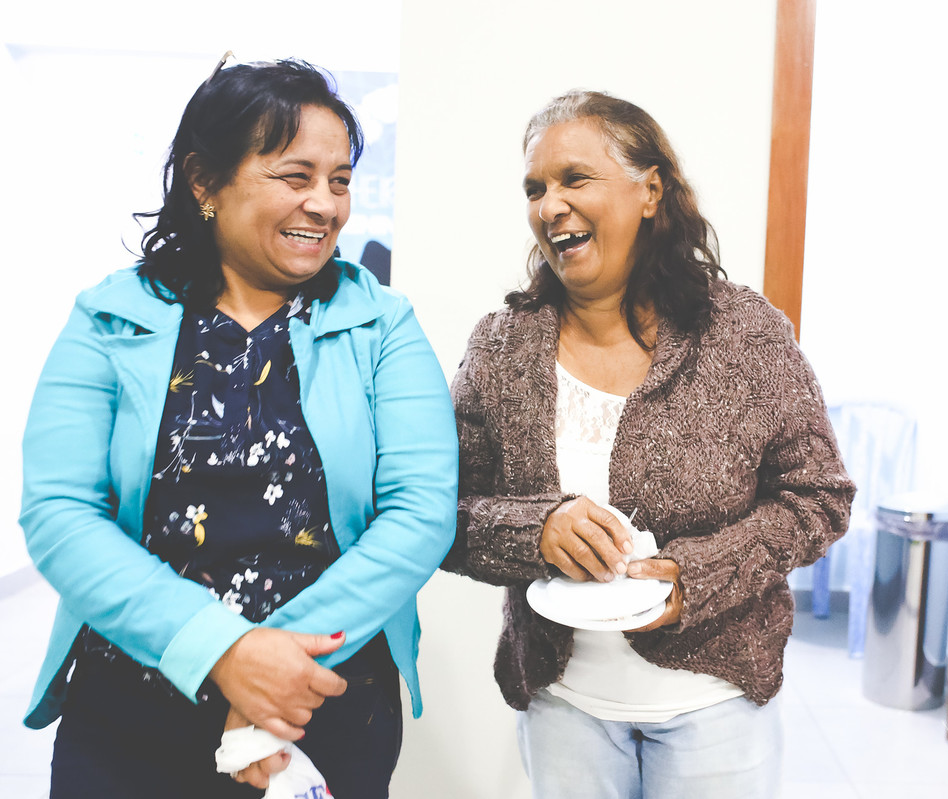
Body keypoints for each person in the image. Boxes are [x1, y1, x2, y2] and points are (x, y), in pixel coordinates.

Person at [20, 57, 458, 798]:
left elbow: (419, 514)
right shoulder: (109, 318)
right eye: (297, 176)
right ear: (203, 182)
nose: (325, 204)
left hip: (320, 698)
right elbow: (60, 514)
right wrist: (223, 651)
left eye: (341, 180)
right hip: (133, 703)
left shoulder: (382, 325)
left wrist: (274, 666)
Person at [445, 89, 856, 798]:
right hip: (563, 705)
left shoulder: (744, 334)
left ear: (649, 190)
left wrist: (694, 576)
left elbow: (819, 496)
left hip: (716, 707)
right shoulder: (500, 348)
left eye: (575, 179)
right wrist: (535, 528)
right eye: (536, 188)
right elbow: (440, 513)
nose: (550, 206)